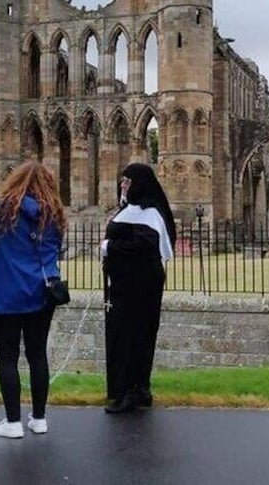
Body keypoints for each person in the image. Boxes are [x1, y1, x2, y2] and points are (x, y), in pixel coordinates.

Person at [0, 161, 66, 439]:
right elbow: (57, 247)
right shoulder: (53, 212)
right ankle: (40, 418)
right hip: (43, 291)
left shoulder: (1, 209)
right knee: (37, 354)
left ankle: (12, 422)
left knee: (7, 358)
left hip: (6, 291)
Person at [101, 163, 175, 413]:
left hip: (138, 286)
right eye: (122, 181)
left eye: (127, 181)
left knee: (133, 335)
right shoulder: (131, 210)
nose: (122, 185)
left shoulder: (149, 213)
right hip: (126, 283)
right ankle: (136, 388)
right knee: (131, 336)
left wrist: (109, 248)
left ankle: (130, 391)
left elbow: (144, 245)